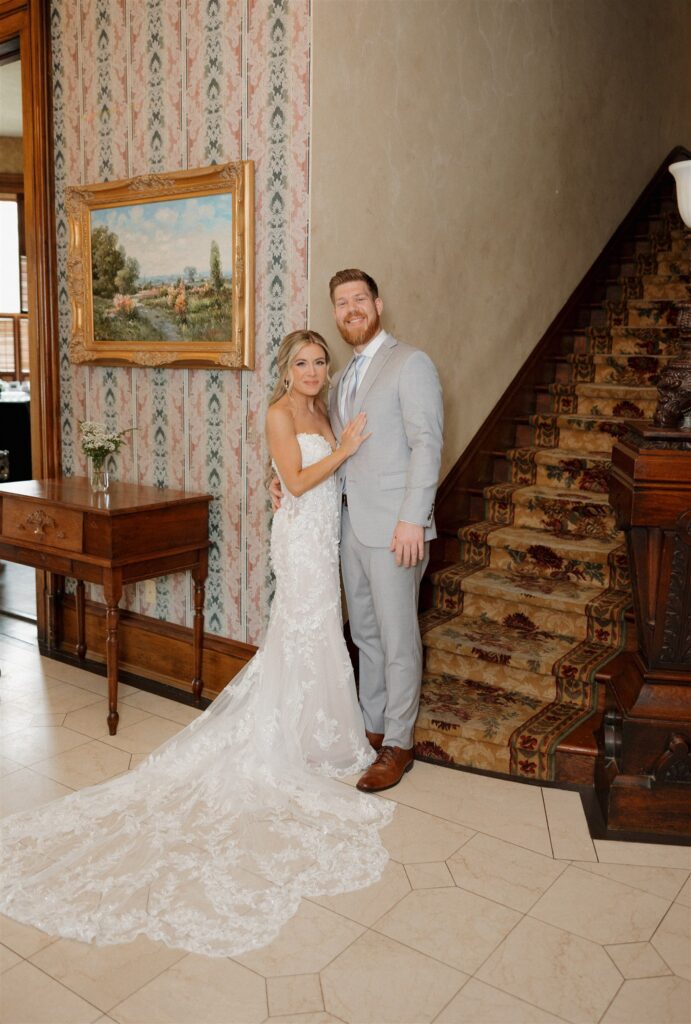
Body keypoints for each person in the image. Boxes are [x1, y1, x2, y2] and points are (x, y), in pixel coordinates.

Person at [0, 330, 393, 959]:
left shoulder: (323, 409)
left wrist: (337, 448)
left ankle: (319, 730)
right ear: (285, 368)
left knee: (317, 630)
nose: (313, 371)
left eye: (320, 362)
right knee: (304, 624)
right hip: (301, 534)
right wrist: (342, 452)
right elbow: (293, 483)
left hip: (322, 532)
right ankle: (288, 736)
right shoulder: (278, 412)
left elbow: (305, 480)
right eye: (302, 362)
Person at [274, 270, 443, 793]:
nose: (351, 309)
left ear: (378, 303)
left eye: (359, 300)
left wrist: (414, 517)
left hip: (396, 529)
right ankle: (370, 728)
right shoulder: (341, 375)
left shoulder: (410, 363)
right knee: (365, 634)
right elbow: (323, 451)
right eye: (341, 303)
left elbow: (427, 444)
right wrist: (278, 481)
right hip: (346, 527)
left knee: (397, 638)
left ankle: (399, 742)